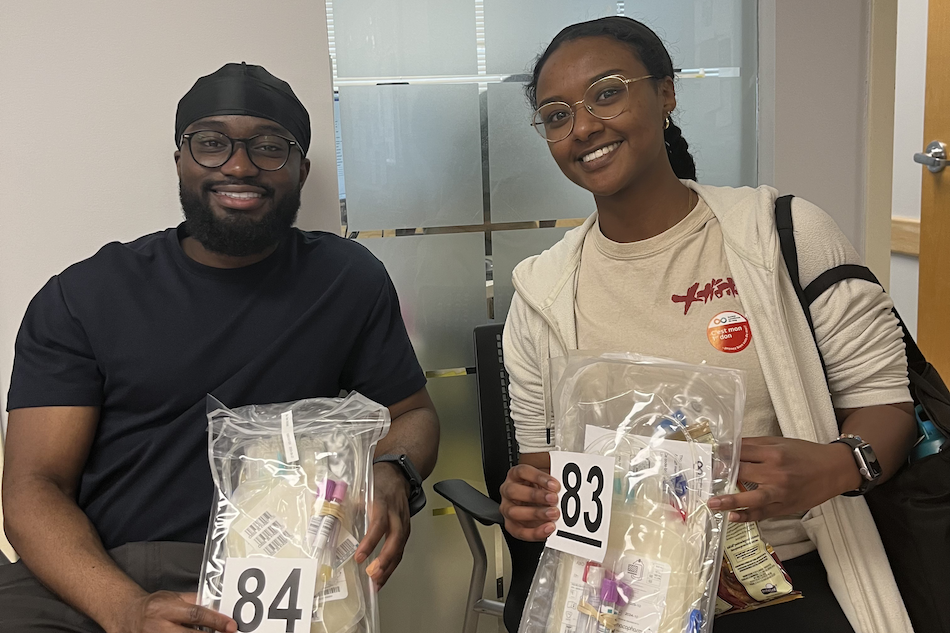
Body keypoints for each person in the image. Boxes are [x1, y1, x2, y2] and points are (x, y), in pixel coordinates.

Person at [498, 16, 916, 633]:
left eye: (608, 92)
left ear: (666, 93)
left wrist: (834, 466)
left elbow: (888, 406)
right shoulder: (540, 291)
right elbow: (544, 465)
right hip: (623, 593)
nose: (583, 126)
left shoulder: (781, 235)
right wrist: (530, 501)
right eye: (556, 114)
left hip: (790, 578)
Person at [0, 62, 440, 633]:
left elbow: (414, 415)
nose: (238, 165)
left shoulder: (346, 280)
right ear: (179, 159)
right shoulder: (85, 296)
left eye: (269, 147)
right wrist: (125, 609)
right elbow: (33, 486)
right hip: (94, 575)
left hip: (274, 574)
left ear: (302, 170)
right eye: (211, 144)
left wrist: (391, 470)